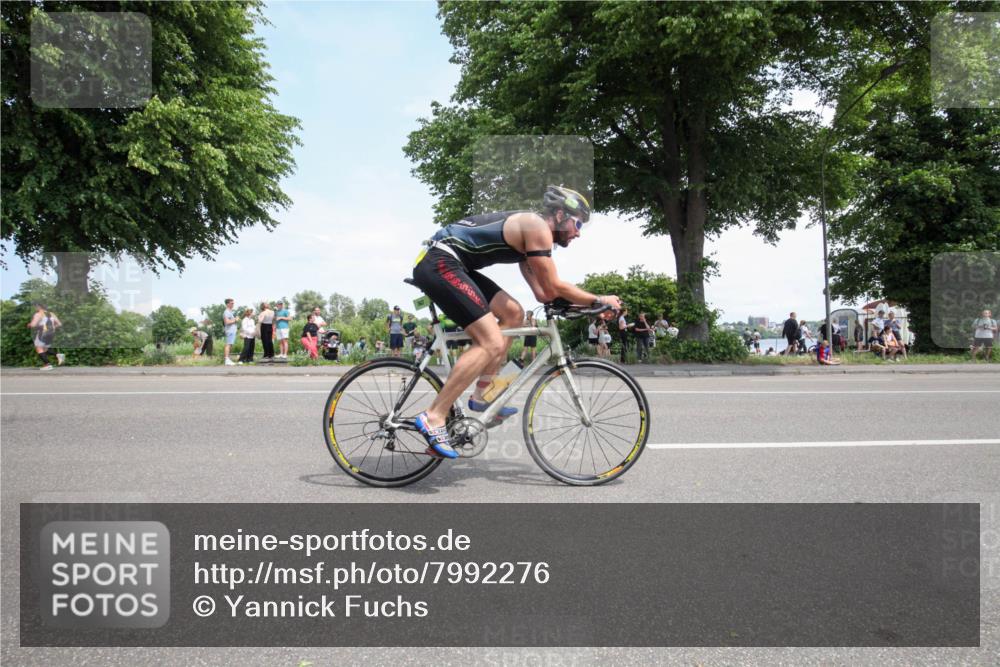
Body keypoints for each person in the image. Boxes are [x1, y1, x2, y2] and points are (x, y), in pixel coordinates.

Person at [409, 185, 620, 458]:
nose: (578, 232)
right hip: (440, 262)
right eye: (577, 223)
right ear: (559, 214)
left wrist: (589, 305)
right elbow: (554, 284)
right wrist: (599, 298)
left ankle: (483, 393)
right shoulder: (537, 228)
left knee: (513, 315)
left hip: (455, 264)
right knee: (490, 341)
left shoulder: (532, 241)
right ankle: (434, 416)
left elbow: (545, 293)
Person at [28, 303, 63, 370]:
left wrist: (29, 324)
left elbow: (33, 325)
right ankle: (58, 355)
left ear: (39, 306)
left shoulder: (38, 314)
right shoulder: (52, 314)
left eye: (35, 306)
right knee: (45, 349)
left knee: (39, 348)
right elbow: (59, 324)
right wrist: (51, 328)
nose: (35, 308)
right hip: (51, 333)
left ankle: (48, 365)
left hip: (42, 333)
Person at [222, 298, 238, 366]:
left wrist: (234, 319)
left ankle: (228, 359)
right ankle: (226, 360)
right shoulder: (227, 312)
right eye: (232, 303)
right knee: (228, 344)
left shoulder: (230, 312)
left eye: (233, 303)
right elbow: (227, 322)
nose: (233, 304)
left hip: (232, 331)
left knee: (230, 344)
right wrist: (235, 320)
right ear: (227, 304)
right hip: (229, 331)